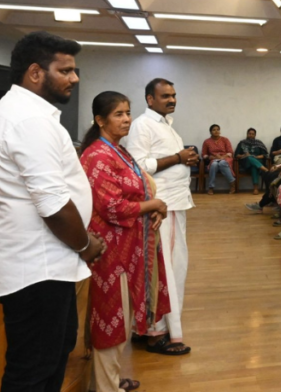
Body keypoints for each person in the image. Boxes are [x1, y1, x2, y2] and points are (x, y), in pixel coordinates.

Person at [0, 31, 105, 392]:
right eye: (65, 70)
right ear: (35, 73)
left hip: (47, 262)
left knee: (53, 355)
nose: (75, 78)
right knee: (32, 370)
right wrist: (84, 245)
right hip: (37, 266)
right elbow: (52, 205)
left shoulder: (25, 112)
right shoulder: (28, 120)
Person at [79, 91, 172, 391]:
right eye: (119, 114)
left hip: (129, 244)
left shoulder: (118, 150)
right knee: (111, 320)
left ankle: (107, 381)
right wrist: (153, 206)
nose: (127, 119)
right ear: (100, 119)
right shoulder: (97, 155)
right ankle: (105, 387)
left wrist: (153, 209)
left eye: (128, 112)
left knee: (121, 317)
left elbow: (139, 191)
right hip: (109, 250)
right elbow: (112, 207)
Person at [123, 78, 197, 355]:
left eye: (174, 95)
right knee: (165, 270)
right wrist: (178, 158)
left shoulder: (165, 125)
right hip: (161, 207)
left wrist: (184, 158)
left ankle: (145, 328)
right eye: (165, 96)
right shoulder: (143, 125)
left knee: (170, 268)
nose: (172, 100)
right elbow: (139, 167)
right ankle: (157, 333)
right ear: (149, 99)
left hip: (174, 204)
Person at [201, 124, 235, 194]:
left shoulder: (225, 140)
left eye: (218, 129)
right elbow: (204, 154)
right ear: (210, 132)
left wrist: (223, 157)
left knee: (222, 163)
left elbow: (230, 152)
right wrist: (209, 157)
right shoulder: (207, 141)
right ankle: (211, 187)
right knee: (214, 164)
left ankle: (232, 183)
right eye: (214, 130)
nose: (216, 131)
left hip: (225, 158)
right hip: (214, 159)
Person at [235, 128, 269, 197]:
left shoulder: (259, 143)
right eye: (249, 134)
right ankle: (265, 170)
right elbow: (236, 155)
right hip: (246, 162)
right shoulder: (242, 143)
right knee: (249, 157)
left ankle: (255, 188)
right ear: (247, 134)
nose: (251, 135)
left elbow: (264, 155)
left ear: (255, 135)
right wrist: (244, 155)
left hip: (257, 161)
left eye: (252, 134)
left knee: (254, 166)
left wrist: (256, 157)